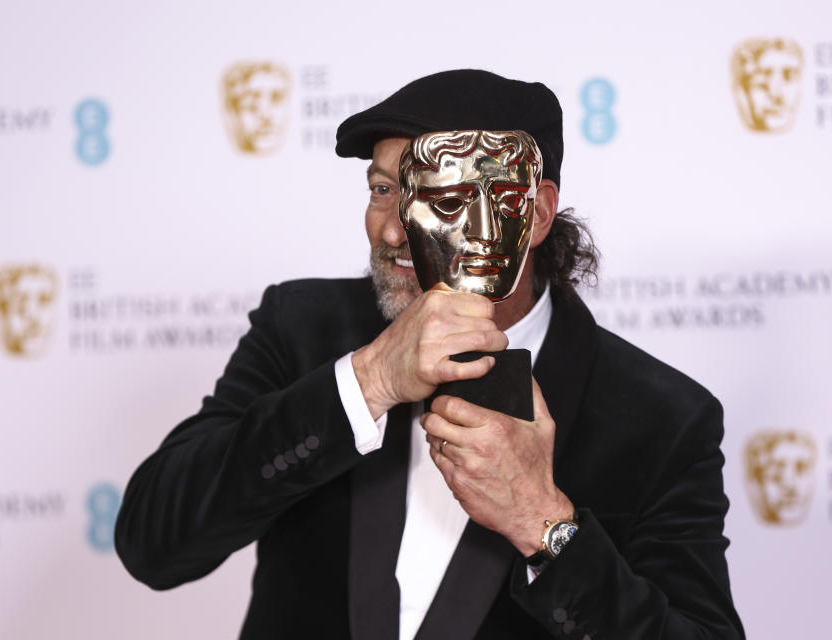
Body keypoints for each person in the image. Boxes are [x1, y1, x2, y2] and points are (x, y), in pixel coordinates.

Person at [115, 69, 745, 639]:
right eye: (384, 190)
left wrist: (543, 524)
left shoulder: (662, 416)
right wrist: (366, 382)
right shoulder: (301, 328)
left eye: (439, 199)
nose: (392, 230)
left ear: (534, 213)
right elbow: (153, 542)